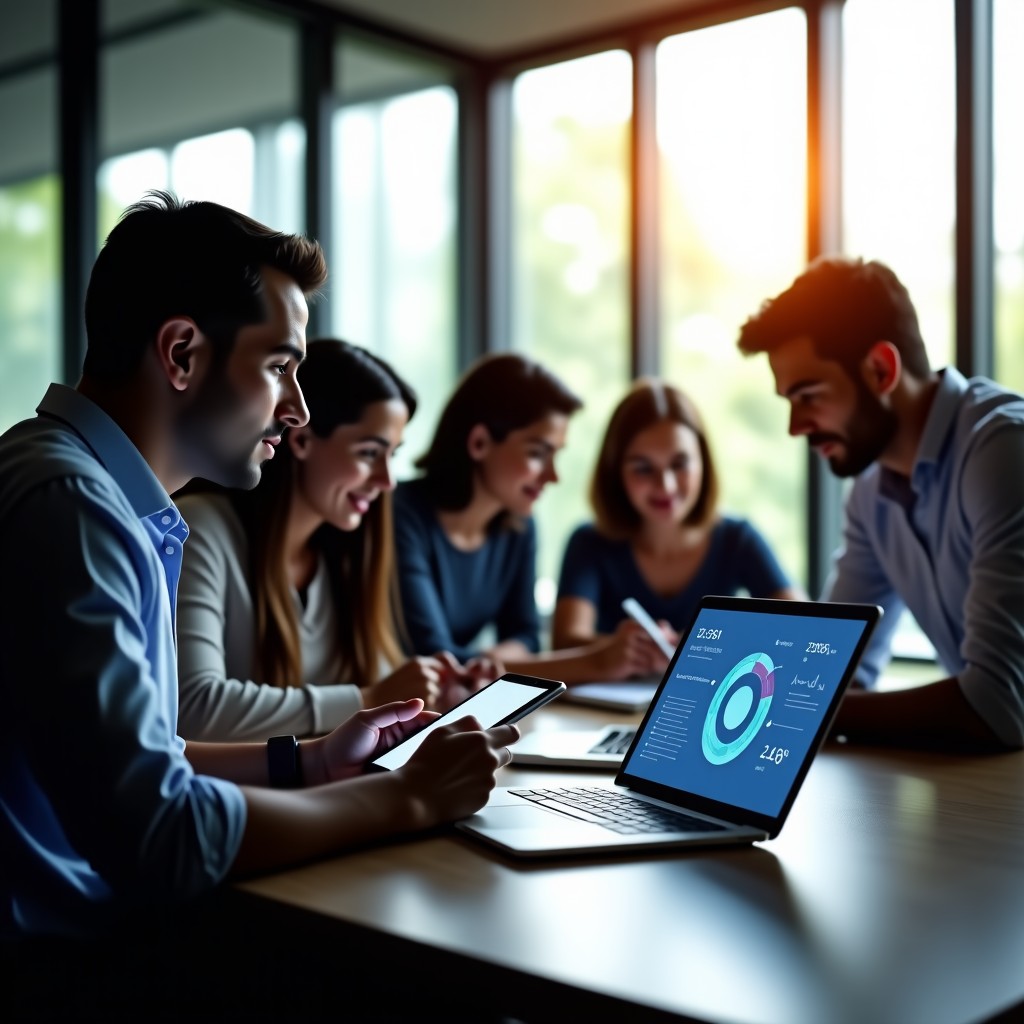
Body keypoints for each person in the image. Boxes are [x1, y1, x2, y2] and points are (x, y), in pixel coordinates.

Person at [0, 192, 518, 969]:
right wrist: (406, 797)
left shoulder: (98, 496)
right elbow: (161, 836)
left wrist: (311, 761)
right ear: (181, 354)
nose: (298, 410)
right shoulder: (73, 507)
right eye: (280, 367)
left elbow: (151, 756)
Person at [736, 255, 1024, 752]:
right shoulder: (870, 495)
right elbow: (833, 670)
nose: (795, 427)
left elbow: (997, 705)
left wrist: (804, 712)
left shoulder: (1004, 451)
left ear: (880, 369)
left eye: (808, 395)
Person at [175, 339, 499, 742]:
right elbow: (192, 707)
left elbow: (377, 687)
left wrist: (432, 696)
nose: (387, 481)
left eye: (392, 455)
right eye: (368, 453)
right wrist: (371, 698)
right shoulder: (199, 529)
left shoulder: (346, 555)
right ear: (302, 440)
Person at [393, 352, 674, 685]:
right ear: (479, 442)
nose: (553, 476)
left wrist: (486, 664)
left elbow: (526, 636)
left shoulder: (519, 526)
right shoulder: (401, 514)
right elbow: (436, 655)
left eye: (556, 455)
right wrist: (596, 663)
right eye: (538, 453)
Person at [553, 378, 800, 653]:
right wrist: (625, 649)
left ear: (703, 463)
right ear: (615, 472)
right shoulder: (590, 542)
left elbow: (802, 628)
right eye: (643, 468)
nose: (665, 486)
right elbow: (565, 642)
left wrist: (700, 644)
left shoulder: (738, 539)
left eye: (680, 464)